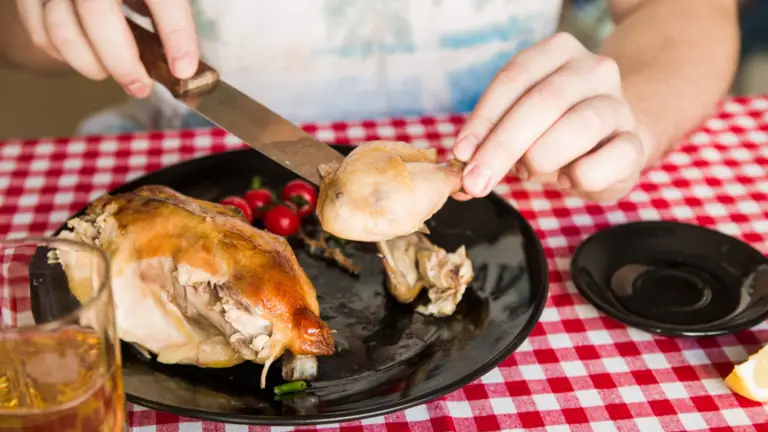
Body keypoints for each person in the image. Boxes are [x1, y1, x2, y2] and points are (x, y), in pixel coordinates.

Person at [0, 0, 740, 203]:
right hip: (182, 159)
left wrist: (633, 119)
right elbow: (17, 40)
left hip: (506, 183)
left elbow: (689, 11)